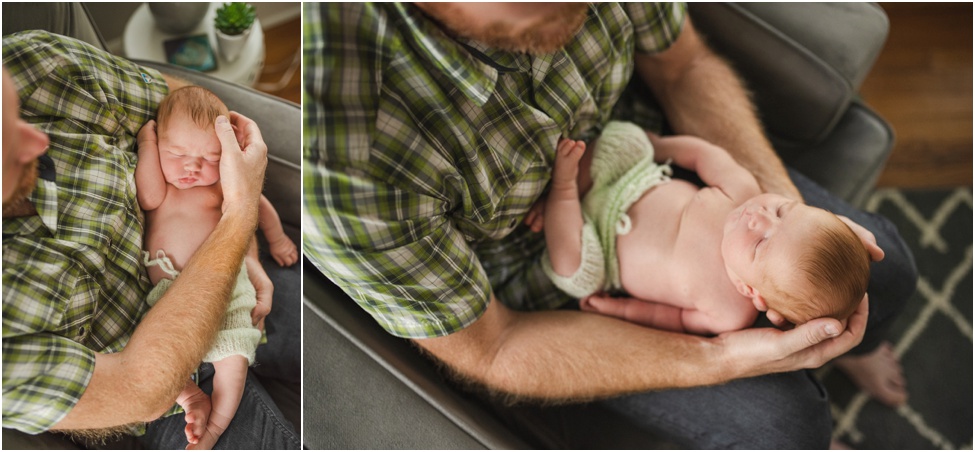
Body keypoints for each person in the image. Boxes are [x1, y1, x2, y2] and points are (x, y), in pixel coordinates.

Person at [302, 3, 917, 447]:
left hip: (639, 153)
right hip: (558, 270)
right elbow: (496, 345)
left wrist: (789, 224)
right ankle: (826, 355)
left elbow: (683, 67)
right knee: (789, 428)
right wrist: (723, 355)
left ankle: (840, 343)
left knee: (885, 269)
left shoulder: (747, 221)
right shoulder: (348, 163)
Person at [2, 30, 299, 449]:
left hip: (236, 280)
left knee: (339, 359)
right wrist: (236, 216)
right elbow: (140, 389)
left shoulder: (35, 66)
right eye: (9, 144)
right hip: (156, 371)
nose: (40, 140)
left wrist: (250, 249)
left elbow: (194, 111)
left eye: (16, 116)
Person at [540, 121, 876, 335]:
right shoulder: (742, 192)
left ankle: (562, 194)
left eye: (760, 243)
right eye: (783, 210)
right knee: (630, 141)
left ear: (752, 292)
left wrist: (621, 309)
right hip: (627, 179)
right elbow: (704, 155)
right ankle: (559, 199)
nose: (759, 216)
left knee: (576, 274)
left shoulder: (729, 313)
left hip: (602, 251)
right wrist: (660, 146)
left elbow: (674, 319)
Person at [135, 86, 299, 449]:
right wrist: (148, 145)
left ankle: (214, 427)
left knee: (233, 362)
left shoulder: (219, 188)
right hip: (170, 300)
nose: (193, 166)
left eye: (210, 157)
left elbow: (256, 203)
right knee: (156, 358)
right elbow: (145, 196)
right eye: (177, 153)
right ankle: (190, 395)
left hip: (227, 289)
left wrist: (276, 239)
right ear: (159, 142)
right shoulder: (162, 191)